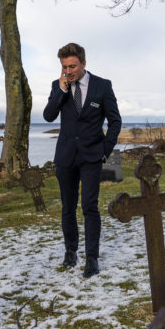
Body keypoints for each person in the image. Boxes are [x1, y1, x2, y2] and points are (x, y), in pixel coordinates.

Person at [43, 42, 121, 278]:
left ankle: (92, 258)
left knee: (90, 207)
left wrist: (105, 150)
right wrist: (62, 90)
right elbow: (48, 116)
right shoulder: (58, 87)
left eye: (73, 66)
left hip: (91, 157)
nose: (69, 71)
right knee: (68, 207)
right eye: (65, 67)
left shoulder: (102, 86)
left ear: (84, 63)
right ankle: (70, 251)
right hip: (65, 156)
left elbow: (115, 121)